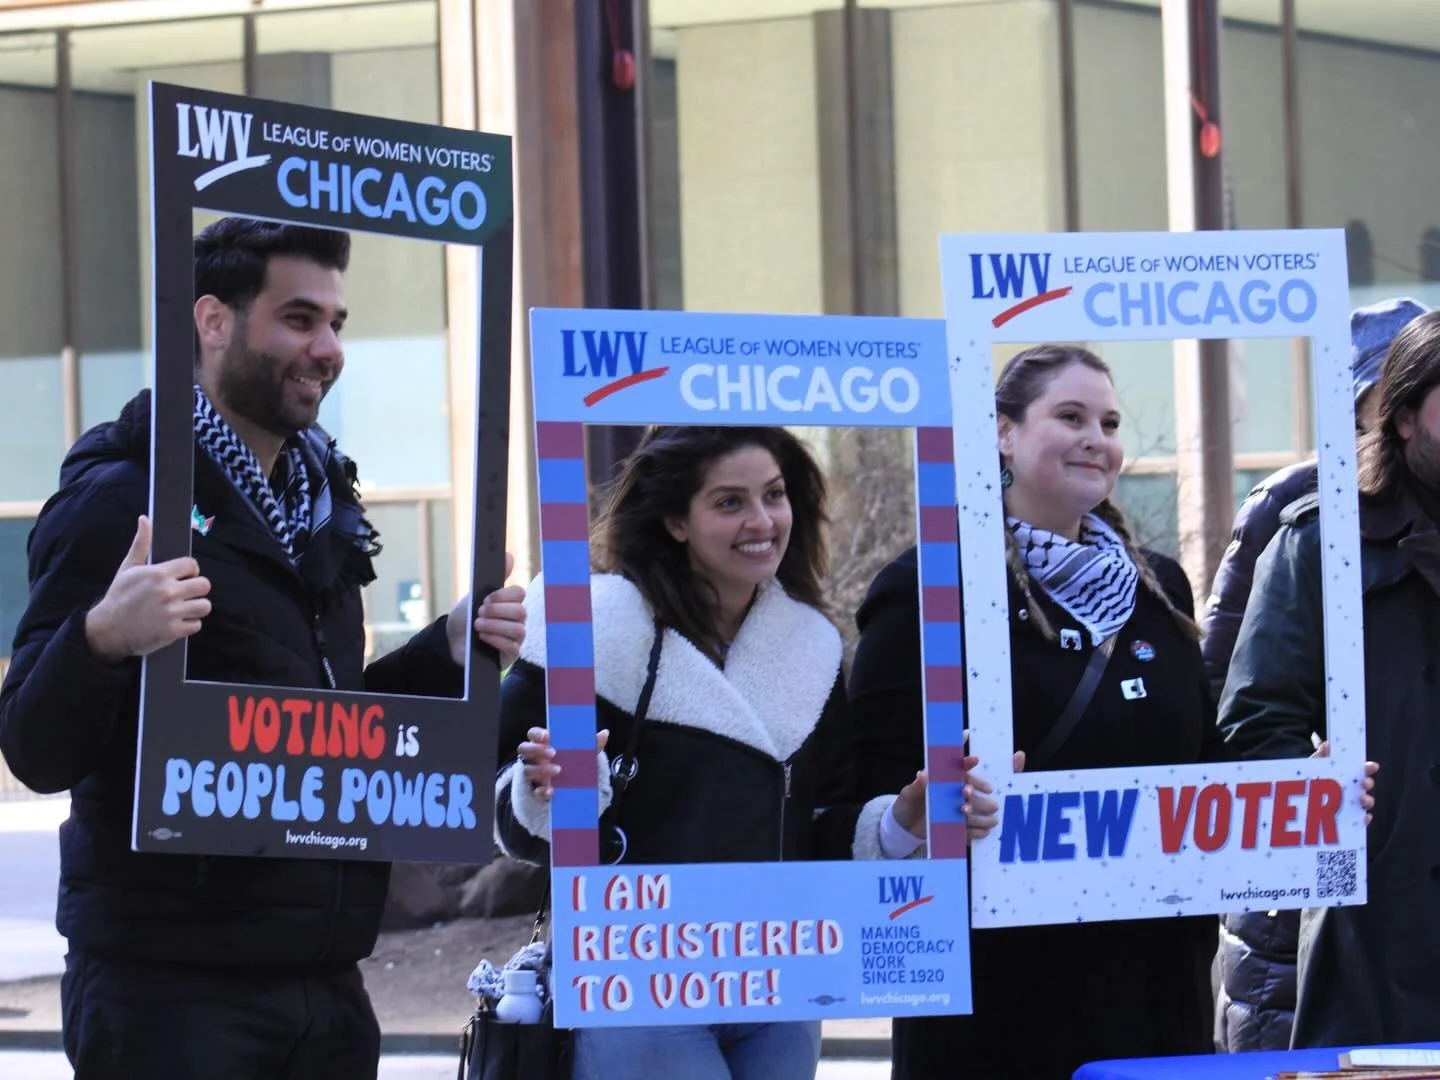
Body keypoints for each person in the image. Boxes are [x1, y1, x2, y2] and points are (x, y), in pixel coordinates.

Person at [0, 217, 526, 1080]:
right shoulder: (124, 501)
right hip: (169, 991)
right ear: (213, 322)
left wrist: (447, 648)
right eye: (299, 318)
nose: (327, 348)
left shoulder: (321, 504)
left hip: (324, 977)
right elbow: (30, 741)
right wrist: (101, 638)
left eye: (337, 324)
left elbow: (325, 721)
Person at [493, 425, 999, 1080]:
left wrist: (904, 821)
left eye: (774, 495)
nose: (762, 521)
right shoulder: (589, 627)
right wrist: (545, 793)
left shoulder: (810, 647)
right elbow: (500, 805)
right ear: (676, 520)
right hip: (638, 980)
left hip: (780, 981)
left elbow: (821, 825)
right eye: (729, 502)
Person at [849, 344, 1227, 1079]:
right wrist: (941, 805)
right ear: (1003, 433)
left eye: (1110, 422)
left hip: (1155, 981)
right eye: (1071, 415)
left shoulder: (1162, 588)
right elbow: (873, 798)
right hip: (1004, 999)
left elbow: (1199, 761)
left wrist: (1307, 793)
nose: (1098, 438)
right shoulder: (930, 589)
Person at [1205, 297, 1427, 1053]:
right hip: (1370, 932)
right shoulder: (1316, 537)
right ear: (1398, 416)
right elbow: (1250, 716)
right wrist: (1308, 787)